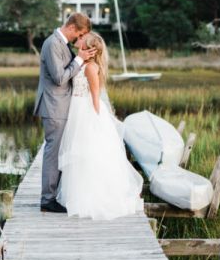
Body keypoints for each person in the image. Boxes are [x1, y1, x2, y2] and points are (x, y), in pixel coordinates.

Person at [57, 32, 144, 220]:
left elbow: (95, 96)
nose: (79, 41)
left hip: (86, 111)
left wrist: (96, 120)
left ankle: (91, 198)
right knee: (79, 154)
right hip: (77, 109)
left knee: (88, 153)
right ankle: (79, 196)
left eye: (83, 41)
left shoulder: (91, 68)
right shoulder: (83, 63)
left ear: (89, 48)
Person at [34, 13, 96, 213]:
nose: (80, 38)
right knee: (53, 153)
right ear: (71, 27)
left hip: (62, 106)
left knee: (60, 152)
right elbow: (60, 78)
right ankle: (47, 200)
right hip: (54, 106)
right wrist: (79, 60)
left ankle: (55, 194)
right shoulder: (52, 44)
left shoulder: (63, 44)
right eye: (80, 33)